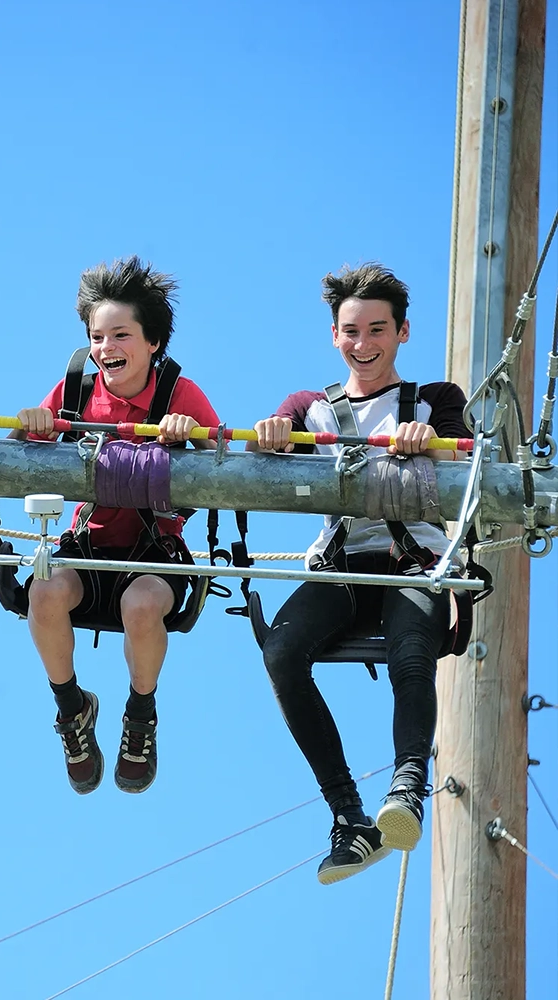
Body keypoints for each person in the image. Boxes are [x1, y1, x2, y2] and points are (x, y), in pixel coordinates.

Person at [251, 262, 472, 885]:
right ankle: (350, 818)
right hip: (343, 567)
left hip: (413, 563)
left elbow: (474, 465)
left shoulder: (436, 402)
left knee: (410, 654)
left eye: (378, 329)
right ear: (333, 335)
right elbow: (256, 459)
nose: (363, 344)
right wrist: (269, 439)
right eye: (351, 330)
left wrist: (430, 440)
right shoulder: (309, 409)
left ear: (403, 333)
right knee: (281, 653)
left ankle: (406, 787)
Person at [14, 257, 219, 795]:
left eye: (120, 335)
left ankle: (140, 714)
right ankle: (72, 710)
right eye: (96, 336)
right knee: (43, 592)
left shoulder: (179, 394)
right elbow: (22, 450)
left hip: (154, 552)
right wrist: (34, 425)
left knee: (142, 606)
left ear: (153, 342)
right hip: (87, 543)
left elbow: (226, 461)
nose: (106, 348)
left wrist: (189, 435)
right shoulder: (76, 389)